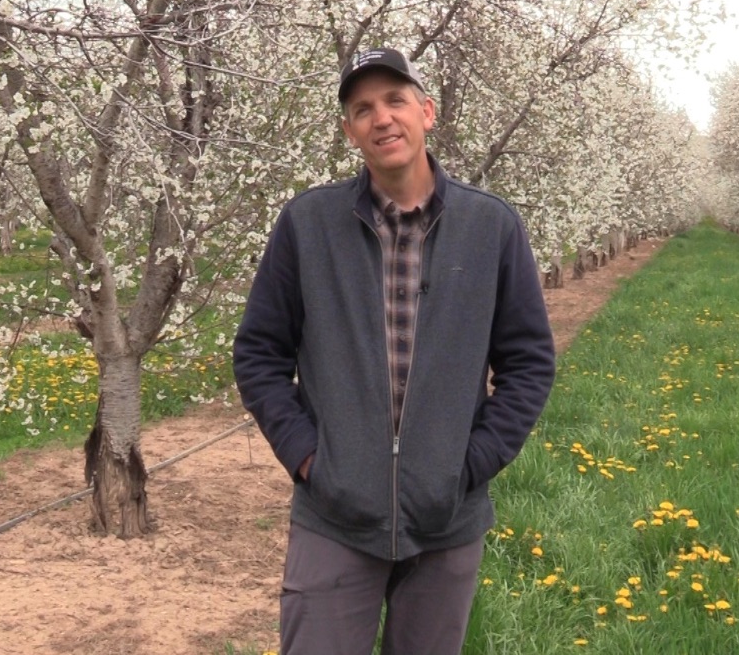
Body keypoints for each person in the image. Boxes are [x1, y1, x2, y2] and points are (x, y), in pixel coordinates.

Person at [233, 47, 556, 654]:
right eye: (362, 109)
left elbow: (529, 363)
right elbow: (258, 354)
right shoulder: (308, 224)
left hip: (446, 519)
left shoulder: (492, 228)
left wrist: (470, 465)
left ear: (426, 112)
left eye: (395, 100)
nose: (381, 118)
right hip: (335, 516)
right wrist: (310, 459)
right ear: (350, 130)